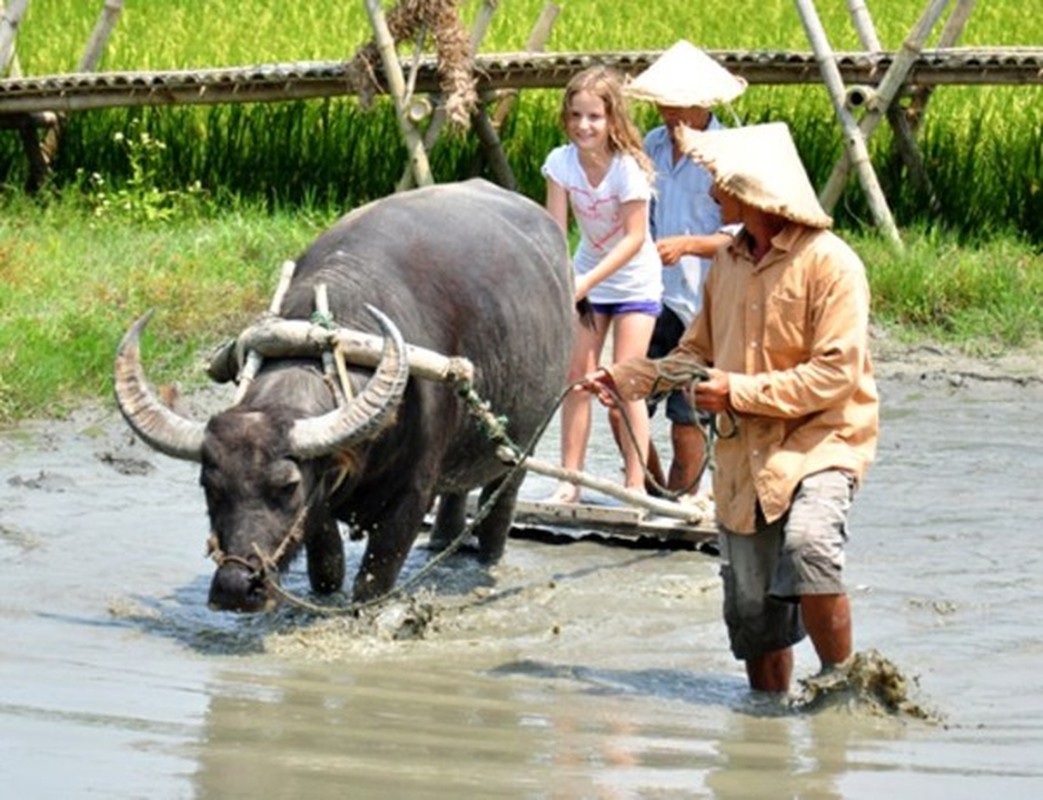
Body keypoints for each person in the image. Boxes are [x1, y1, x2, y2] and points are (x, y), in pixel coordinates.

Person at [580, 122, 880, 694]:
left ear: (754, 193)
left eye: (721, 184)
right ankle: (766, 724)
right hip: (746, 454)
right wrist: (627, 378)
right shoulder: (731, 264)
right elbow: (695, 354)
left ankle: (844, 688)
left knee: (810, 546)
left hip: (821, 442)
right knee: (751, 610)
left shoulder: (831, 264)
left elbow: (836, 374)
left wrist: (736, 392)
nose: (713, 193)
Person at [613, 40, 747, 498]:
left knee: (687, 423)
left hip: (707, 306)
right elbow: (640, 223)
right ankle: (650, 491)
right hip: (654, 300)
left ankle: (680, 501)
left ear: (703, 103)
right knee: (620, 399)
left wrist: (690, 245)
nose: (670, 112)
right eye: (663, 102)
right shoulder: (650, 145)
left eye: (679, 103)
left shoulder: (727, 154)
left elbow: (741, 237)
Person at [541, 66, 663, 503]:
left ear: (612, 119)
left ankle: (635, 484)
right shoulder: (560, 163)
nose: (583, 126)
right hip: (588, 276)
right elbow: (556, 229)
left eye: (594, 116)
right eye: (575, 115)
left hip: (634, 281)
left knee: (625, 380)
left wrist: (586, 280)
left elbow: (634, 238)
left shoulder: (628, 169)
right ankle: (570, 480)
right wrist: (560, 278)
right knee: (577, 379)